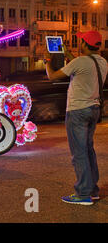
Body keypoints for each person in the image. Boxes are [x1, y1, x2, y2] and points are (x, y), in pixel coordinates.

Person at [44, 31, 107, 205]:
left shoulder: (80, 62)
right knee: (88, 150)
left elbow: (52, 76)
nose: (79, 42)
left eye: (81, 40)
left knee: (79, 153)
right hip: (93, 109)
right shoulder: (102, 62)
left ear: (85, 44)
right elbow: (82, 66)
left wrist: (47, 60)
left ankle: (83, 194)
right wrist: (68, 54)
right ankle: (92, 190)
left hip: (77, 111)